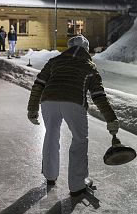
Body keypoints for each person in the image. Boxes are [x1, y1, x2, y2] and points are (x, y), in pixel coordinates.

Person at [27, 35, 119, 197]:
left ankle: (50, 175)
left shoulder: (54, 61)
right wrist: (111, 119)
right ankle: (77, 185)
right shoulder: (89, 66)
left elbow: (39, 83)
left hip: (49, 100)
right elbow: (99, 96)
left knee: (51, 134)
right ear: (86, 49)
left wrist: (32, 108)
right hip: (74, 103)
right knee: (79, 139)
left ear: (69, 48)